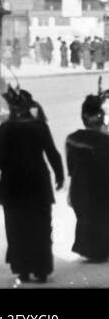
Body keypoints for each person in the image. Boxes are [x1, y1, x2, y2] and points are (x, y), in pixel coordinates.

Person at [0, 88, 64, 283]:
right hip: (38, 184)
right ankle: (42, 269)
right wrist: (60, 175)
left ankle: (23, 269)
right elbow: (52, 153)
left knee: (17, 227)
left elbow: (0, 158)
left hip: (13, 184)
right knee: (40, 227)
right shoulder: (40, 126)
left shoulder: (6, 128)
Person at [65, 93, 109, 263]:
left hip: (80, 188)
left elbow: (71, 167)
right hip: (103, 189)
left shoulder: (73, 139)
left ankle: (90, 248)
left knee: (88, 219)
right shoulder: (105, 140)